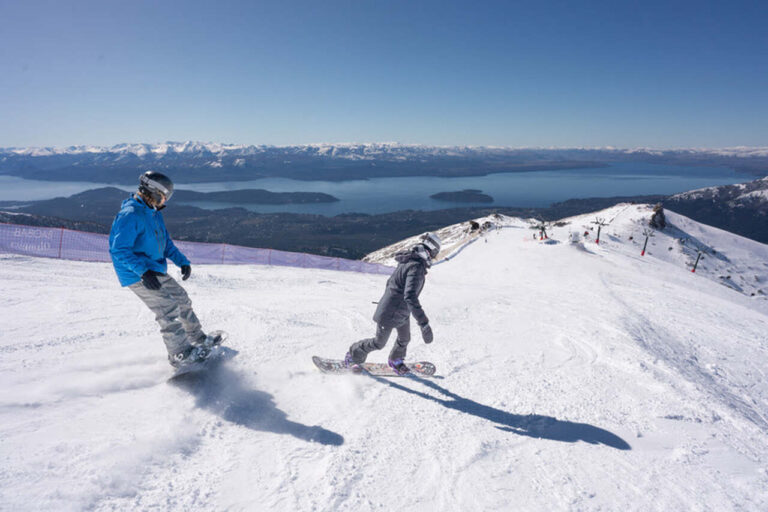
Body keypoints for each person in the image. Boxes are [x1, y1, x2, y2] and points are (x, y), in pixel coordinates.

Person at [109, 170, 220, 368]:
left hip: (153, 268)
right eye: (164, 196)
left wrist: (182, 261)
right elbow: (118, 250)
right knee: (167, 308)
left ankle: (197, 338)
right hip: (137, 273)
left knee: (182, 300)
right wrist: (142, 271)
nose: (166, 200)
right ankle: (179, 354)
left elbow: (165, 243)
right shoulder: (130, 215)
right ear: (152, 192)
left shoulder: (153, 212)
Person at [345, 232, 441, 375]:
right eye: (435, 254)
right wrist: (424, 324)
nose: (434, 258)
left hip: (401, 310)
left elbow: (391, 283)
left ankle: (395, 360)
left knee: (404, 338)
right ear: (431, 251)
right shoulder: (415, 267)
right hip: (390, 312)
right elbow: (410, 296)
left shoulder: (410, 261)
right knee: (379, 343)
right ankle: (353, 355)